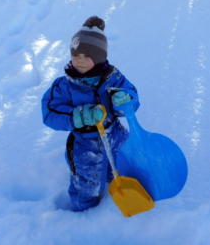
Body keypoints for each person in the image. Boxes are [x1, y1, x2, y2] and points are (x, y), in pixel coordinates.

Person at [41, 16, 139, 211]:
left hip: (115, 134)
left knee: (126, 165)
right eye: (76, 55)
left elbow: (132, 97)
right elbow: (50, 111)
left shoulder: (113, 77)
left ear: (100, 56)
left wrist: (124, 100)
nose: (80, 60)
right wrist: (78, 117)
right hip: (85, 143)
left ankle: (120, 191)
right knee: (88, 183)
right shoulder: (65, 84)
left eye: (87, 56)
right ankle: (83, 214)